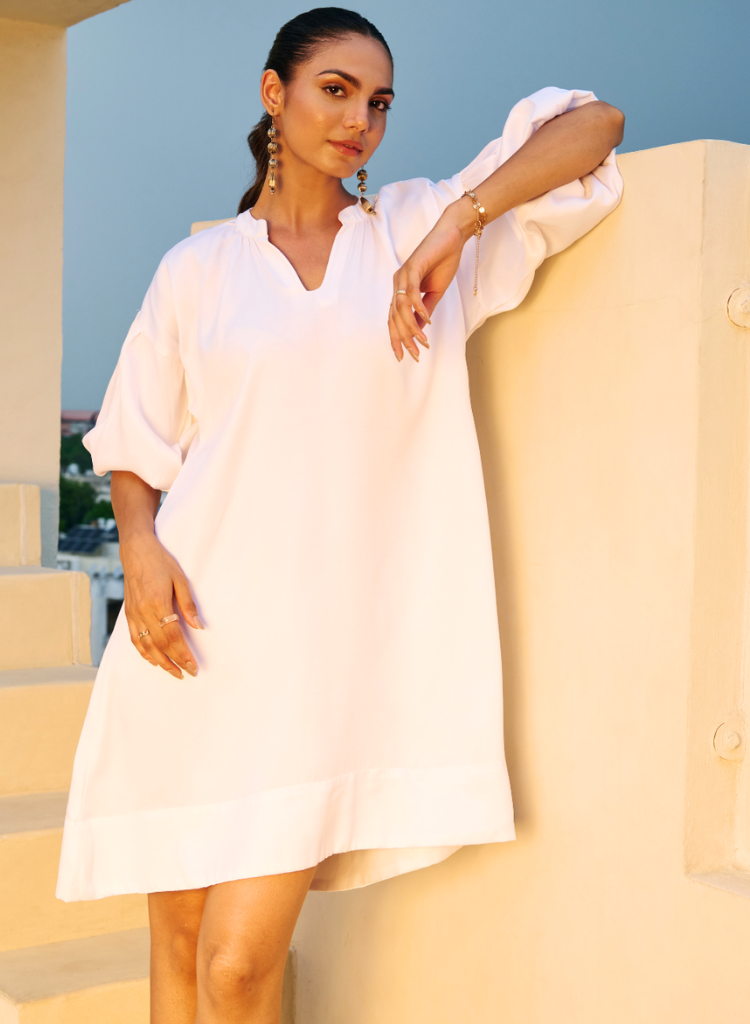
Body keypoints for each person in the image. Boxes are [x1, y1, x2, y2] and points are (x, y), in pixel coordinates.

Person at [56, 7, 625, 1023]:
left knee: (238, 966)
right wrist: (137, 546)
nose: (361, 118)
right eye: (335, 90)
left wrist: (458, 225)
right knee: (179, 940)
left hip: (318, 670)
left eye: (380, 101)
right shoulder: (198, 271)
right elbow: (136, 442)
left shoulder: (411, 231)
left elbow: (595, 126)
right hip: (190, 640)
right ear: (272, 95)